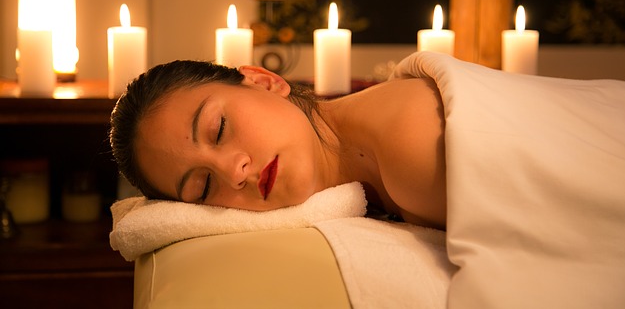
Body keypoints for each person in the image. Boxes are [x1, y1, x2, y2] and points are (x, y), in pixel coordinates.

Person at [109, 58, 447, 230]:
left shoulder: (410, 146)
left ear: (264, 81)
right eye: (204, 186)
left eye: (219, 129)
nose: (233, 171)